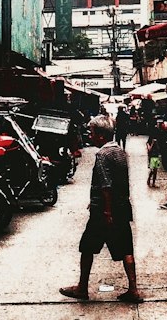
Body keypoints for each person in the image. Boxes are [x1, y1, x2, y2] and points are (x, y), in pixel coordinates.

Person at [59, 115, 142, 303]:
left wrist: (106, 211)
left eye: (93, 132)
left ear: (101, 135)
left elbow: (106, 185)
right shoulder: (120, 151)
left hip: (105, 211)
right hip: (121, 207)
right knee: (126, 248)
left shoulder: (102, 155)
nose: (90, 136)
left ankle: (82, 288)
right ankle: (133, 289)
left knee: (87, 247)